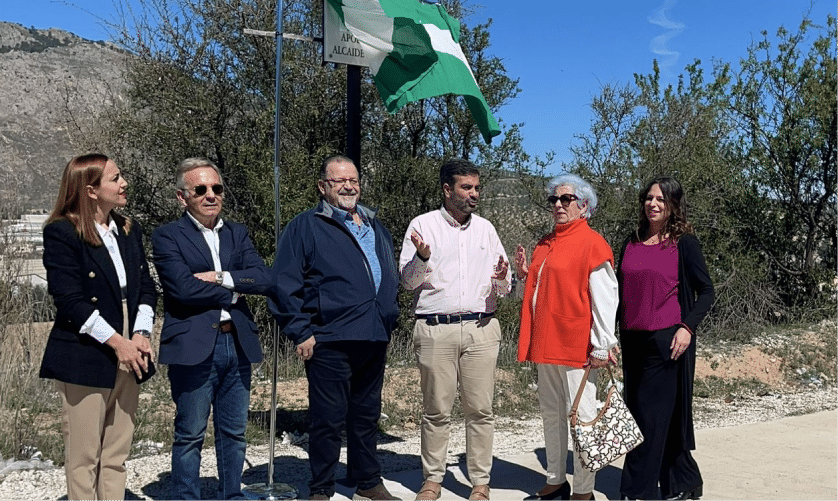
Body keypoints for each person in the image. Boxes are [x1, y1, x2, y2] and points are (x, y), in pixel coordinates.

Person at [270, 155, 401, 501]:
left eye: (353, 180)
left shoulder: (375, 225)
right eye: (339, 181)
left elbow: (387, 274)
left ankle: (367, 481)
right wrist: (301, 330)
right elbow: (283, 283)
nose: (348, 186)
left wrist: (390, 313)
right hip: (329, 338)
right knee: (327, 420)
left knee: (366, 416)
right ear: (322, 187)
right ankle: (321, 489)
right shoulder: (306, 225)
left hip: (373, 335)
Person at [152, 157, 270, 501]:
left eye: (216, 188)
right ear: (181, 196)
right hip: (194, 345)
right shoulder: (167, 236)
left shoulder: (237, 233)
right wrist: (235, 291)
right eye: (200, 189)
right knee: (190, 433)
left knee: (234, 433)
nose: (210, 195)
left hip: (238, 342)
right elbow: (182, 289)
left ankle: (231, 495)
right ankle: (186, 496)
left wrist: (221, 278)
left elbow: (264, 278)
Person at [39, 154, 156, 501]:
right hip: (86, 352)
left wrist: (141, 334)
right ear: (90, 190)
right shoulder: (62, 232)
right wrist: (117, 341)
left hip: (130, 348)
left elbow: (146, 287)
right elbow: (70, 301)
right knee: (84, 455)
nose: (124, 184)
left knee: (117, 454)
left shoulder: (127, 229)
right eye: (115, 178)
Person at [399, 158, 511, 501]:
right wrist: (421, 258)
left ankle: (480, 483)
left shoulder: (486, 229)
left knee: (481, 410)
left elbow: (505, 288)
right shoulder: (423, 225)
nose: (474, 194)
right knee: (436, 410)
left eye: (477, 187)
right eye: (466, 187)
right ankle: (432, 479)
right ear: (447, 189)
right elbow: (407, 282)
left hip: (481, 328)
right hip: (436, 330)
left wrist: (504, 277)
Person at [514, 173, 618, 501]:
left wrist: (603, 344)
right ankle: (556, 479)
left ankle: (584, 491)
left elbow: (606, 297)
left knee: (583, 419)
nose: (558, 205)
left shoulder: (592, 243)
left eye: (566, 199)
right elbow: (532, 295)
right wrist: (522, 277)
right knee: (551, 413)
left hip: (577, 348)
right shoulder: (546, 243)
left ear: (584, 205)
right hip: (546, 343)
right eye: (554, 200)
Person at [617, 177, 713, 501]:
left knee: (647, 417)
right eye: (649, 198)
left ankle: (637, 491)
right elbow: (620, 292)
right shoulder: (631, 241)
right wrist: (607, 337)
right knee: (658, 416)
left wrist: (687, 327)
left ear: (672, 205)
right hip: (632, 340)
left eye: (661, 199)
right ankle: (684, 481)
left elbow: (706, 291)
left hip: (666, 341)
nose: (653, 204)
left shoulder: (683, 242)